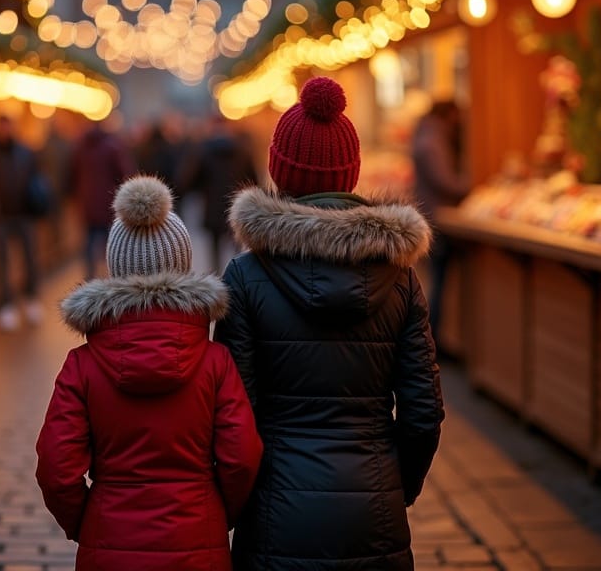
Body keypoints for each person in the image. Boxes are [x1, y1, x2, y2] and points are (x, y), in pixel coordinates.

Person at [215, 77, 444, 571]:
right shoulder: (400, 277)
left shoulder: (246, 277)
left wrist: (242, 499)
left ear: (278, 170)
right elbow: (423, 412)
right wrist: (394, 486)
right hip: (374, 508)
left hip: (276, 511)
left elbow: (235, 415)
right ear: (351, 173)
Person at [36, 176, 262, 571]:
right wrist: (215, 514)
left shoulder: (82, 365)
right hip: (198, 543)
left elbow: (57, 468)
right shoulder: (216, 363)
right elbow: (241, 458)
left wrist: (86, 522)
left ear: (116, 267)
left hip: (108, 543)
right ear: (182, 265)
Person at [411, 99, 470, 343]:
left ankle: (435, 335)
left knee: (436, 281)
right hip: (439, 218)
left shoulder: (425, 135)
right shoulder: (433, 141)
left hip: (431, 215)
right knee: (438, 282)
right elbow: (444, 181)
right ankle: (433, 337)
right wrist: (470, 184)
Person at [0, 114, 46, 330]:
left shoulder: (25, 153)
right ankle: (6, 305)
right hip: (1, 217)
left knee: (30, 259)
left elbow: (37, 178)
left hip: (24, 214)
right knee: (2, 264)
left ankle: (31, 299)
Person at [178, 116, 258, 273]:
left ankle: (217, 277)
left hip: (212, 208)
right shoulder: (243, 151)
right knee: (237, 246)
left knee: (215, 249)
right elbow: (255, 180)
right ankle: (239, 276)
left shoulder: (203, 151)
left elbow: (189, 180)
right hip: (237, 207)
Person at [68, 122, 134, 280]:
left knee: (89, 243)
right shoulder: (112, 147)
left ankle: (90, 277)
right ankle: (112, 275)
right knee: (111, 242)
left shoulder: (80, 148)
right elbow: (125, 173)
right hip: (108, 203)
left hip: (87, 204)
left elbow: (72, 175)